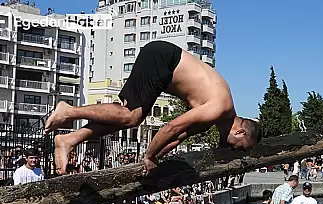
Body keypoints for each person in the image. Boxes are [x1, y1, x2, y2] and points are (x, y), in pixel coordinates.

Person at [44, 40, 262, 174]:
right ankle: (68, 111)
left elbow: (176, 138)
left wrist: (154, 158)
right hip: (163, 58)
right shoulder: (218, 108)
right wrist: (148, 156)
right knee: (131, 117)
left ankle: (69, 139)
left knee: (126, 117)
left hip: (164, 68)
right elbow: (170, 128)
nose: (236, 150)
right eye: (240, 146)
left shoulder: (213, 119)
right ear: (240, 131)